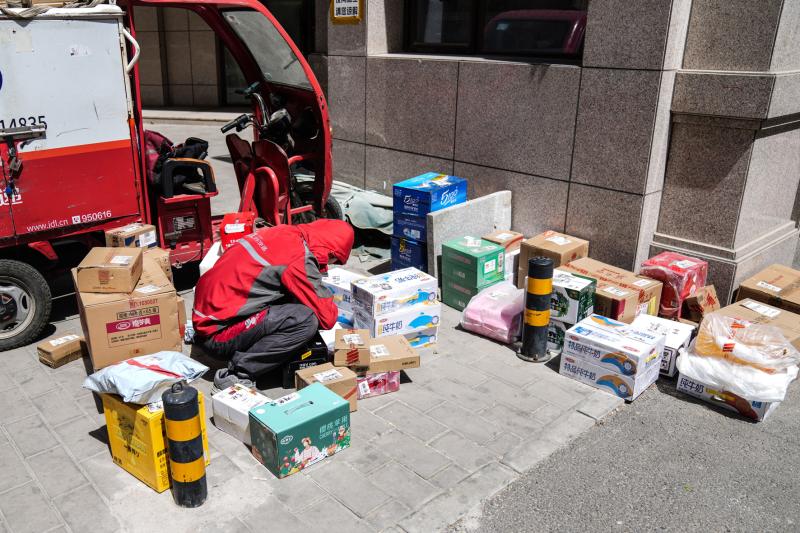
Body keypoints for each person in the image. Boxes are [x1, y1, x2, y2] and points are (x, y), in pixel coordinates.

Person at [192, 219, 354, 391]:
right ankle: (237, 375)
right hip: (217, 335)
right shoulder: (298, 256)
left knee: (293, 296)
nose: (328, 264)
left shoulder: (281, 232)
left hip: (207, 319)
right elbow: (327, 318)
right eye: (332, 259)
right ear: (329, 249)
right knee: (305, 320)